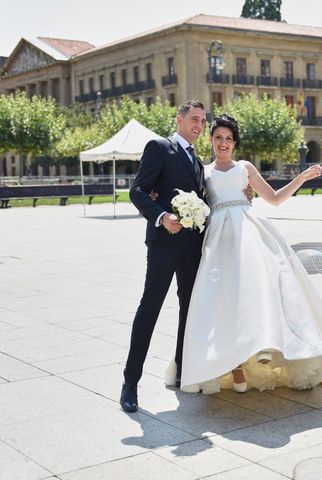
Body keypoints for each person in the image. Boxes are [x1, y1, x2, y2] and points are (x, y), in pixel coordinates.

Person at [166, 114, 322, 395]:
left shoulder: (245, 168)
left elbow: (273, 199)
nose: (223, 143)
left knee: (257, 293)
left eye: (229, 138)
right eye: (218, 137)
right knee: (223, 300)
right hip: (218, 241)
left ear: (235, 143)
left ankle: (265, 347)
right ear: (210, 140)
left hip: (250, 233)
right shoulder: (202, 171)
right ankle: (233, 366)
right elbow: (194, 201)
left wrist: (302, 177)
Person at [120, 101, 250, 413]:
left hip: (195, 247)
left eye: (202, 122)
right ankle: (130, 382)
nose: (199, 126)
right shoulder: (159, 148)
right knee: (149, 307)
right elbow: (138, 191)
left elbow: (210, 194)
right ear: (179, 119)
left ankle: (182, 371)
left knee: (189, 311)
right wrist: (161, 215)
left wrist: (243, 193)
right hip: (164, 244)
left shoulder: (198, 160)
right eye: (194, 119)